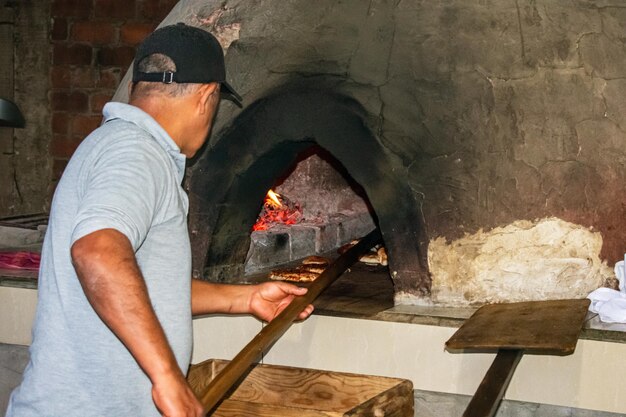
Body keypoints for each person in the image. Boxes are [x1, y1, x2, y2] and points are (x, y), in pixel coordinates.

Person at [6, 23, 313, 417]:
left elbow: (137, 286)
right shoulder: (138, 153)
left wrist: (246, 298)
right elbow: (97, 253)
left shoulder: (114, 145)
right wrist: (167, 375)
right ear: (206, 97)